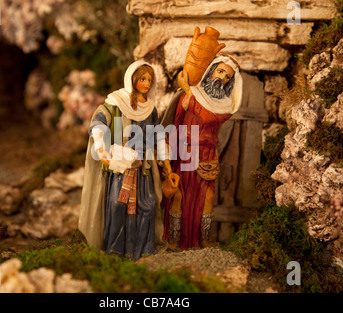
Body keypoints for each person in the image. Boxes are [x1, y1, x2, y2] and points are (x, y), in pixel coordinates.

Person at [78, 61, 171, 260]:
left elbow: (157, 133)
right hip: (122, 165)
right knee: (117, 205)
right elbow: (99, 123)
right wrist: (102, 147)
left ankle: (144, 249)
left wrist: (165, 160)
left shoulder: (150, 108)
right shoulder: (115, 102)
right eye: (142, 79)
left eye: (149, 80)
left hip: (143, 167)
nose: (146, 83)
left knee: (148, 205)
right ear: (133, 79)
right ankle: (115, 250)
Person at [161, 54, 243, 250]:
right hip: (185, 152)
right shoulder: (188, 96)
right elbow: (176, 120)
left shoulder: (224, 106)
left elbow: (207, 118)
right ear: (211, 70)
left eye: (227, 77)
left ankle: (203, 238)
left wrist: (189, 91)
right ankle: (174, 240)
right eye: (220, 71)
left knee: (207, 198)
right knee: (180, 196)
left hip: (207, 154)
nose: (222, 78)